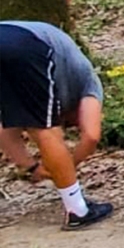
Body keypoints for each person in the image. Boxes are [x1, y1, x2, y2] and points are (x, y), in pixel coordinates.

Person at [0, 21, 113, 230]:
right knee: (44, 129)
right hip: (27, 45)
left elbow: (3, 128)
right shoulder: (89, 83)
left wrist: (31, 166)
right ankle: (78, 210)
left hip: (12, 35)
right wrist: (64, 168)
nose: (67, 125)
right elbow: (91, 137)